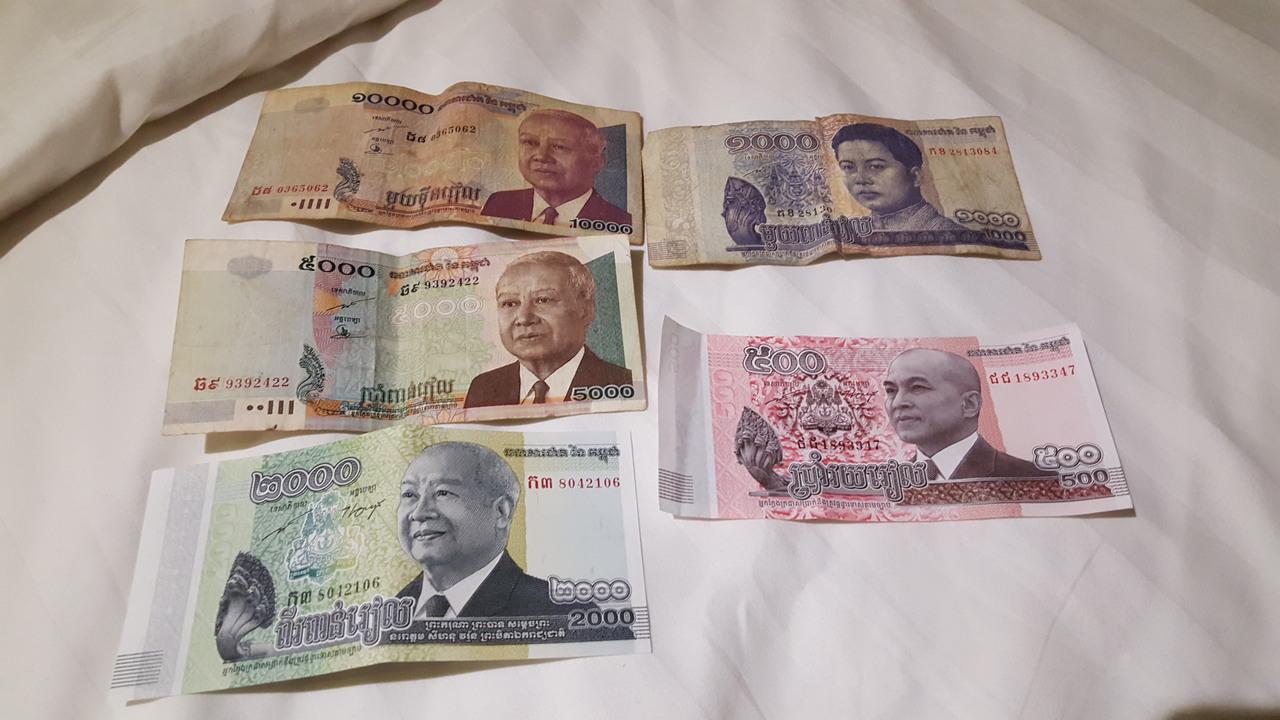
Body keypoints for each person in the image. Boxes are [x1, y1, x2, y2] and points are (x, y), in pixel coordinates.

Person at [394, 442, 567, 618]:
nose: (419, 513)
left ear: (501, 512)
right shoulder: (389, 610)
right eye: (409, 495)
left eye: (443, 493)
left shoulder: (557, 612)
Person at [464, 251, 632, 408]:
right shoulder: (482, 388)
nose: (524, 318)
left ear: (586, 310)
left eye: (543, 300)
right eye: (510, 303)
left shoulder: (623, 382)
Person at [882, 348, 1055, 480]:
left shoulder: (1033, 478)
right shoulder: (889, 482)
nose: (898, 403)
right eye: (891, 390)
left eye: (918, 387)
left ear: (969, 404)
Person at [480, 108, 631, 227]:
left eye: (559, 147)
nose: (541, 156)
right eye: (530, 143)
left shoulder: (620, 222)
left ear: (596, 162)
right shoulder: (499, 202)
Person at [830, 123, 968, 233]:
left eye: (876, 166)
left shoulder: (951, 234)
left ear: (915, 176)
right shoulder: (853, 233)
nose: (861, 179)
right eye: (848, 167)